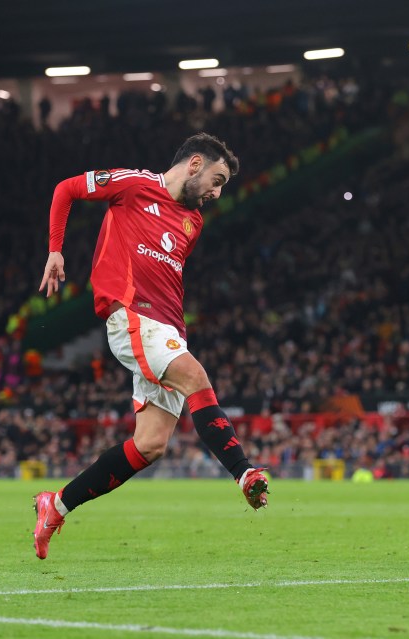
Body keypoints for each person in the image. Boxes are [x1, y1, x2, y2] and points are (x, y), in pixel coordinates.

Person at [32, 132, 268, 560]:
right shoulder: (134, 184)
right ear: (194, 164)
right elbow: (65, 189)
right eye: (216, 180)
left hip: (166, 326)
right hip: (130, 315)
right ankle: (244, 472)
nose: (216, 193)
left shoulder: (192, 223)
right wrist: (55, 251)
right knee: (196, 376)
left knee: (150, 445)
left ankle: (57, 505)